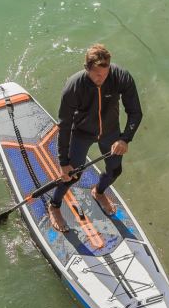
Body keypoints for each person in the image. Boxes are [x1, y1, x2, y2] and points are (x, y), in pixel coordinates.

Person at [48, 43, 143, 232]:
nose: (103, 78)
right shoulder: (73, 86)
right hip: (81, 133)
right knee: (72, 175)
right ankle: (54, 205)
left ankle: (98, 192)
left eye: (106, 73)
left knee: (115, 171)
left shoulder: (120, 77)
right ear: (87, 69)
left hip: (110, 133)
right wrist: (63, 162)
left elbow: (135, 112)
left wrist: (125, 138)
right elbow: (65, 126)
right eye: (98, 74)